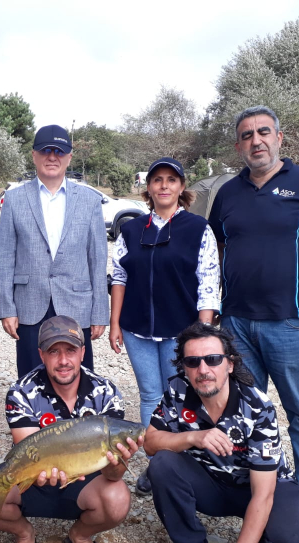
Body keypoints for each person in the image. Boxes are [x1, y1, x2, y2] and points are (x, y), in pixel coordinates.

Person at [207, 105, 299, 533]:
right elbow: (213, 250)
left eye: (263, 132)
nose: (256, 141)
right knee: (248, 411)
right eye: (247, 135)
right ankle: (254, 488)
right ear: (238, 145)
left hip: (292, 323)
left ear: (279, 137)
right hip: (236, 325)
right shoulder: (228, 193)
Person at [145, 323, 299, 543]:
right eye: (193, 362)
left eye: (213, 359)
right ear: (184, 367)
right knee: (162, 464)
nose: (203, 370)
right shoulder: (178, 391)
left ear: (229, 364)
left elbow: (264, 494)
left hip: (264, 487)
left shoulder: (257, 406)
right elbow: (150, 442)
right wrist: (193, 438)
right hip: (212, 482)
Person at [0, 316, 141, 543]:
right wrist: (38, 471)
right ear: (41, 354)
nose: (63, 360)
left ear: (83, 352)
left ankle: (79, 536)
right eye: (54, 351)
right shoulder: (22, 391)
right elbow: (25, 450)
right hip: (35, 477)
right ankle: (25, 534)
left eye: (71, 350)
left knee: (118, 499)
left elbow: (113, 475)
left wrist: (119, 460)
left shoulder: (106, 391)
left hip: (86, 481)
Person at [109, 157, 220, 496]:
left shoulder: (198, 229)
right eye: (157, 180)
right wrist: (115, 323)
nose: (164, 185)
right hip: (136, 328)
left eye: (171, 179)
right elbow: (119, 276)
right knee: (151, 396)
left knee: (184, 395)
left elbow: (209, 281)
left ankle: (187, 463)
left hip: (182, 332)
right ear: (149, 188)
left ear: (182, 187)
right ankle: (156, 464)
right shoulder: (132, 229)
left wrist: (203, 332)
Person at [0, 125, 109, 378]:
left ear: (69, 157)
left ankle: (78, 420)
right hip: (29, 304)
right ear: (34, 155)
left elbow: (97, 259)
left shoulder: (90, 201)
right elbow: (4, 259)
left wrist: (100, 311)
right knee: (31, 377)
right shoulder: (14, 199)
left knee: (78, 379)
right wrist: (7, 309)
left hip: (76, 305)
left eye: (59, 151)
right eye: (45, 150)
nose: (52, 157)